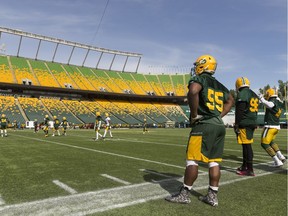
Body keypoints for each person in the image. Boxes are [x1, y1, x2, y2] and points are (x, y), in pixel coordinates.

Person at [165, 55, 234, 207]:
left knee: (192, 160)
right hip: (218, 125)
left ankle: (184, 194)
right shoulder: (221, 85)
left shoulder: (200, 79)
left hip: (204, 125)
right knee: (214, 161)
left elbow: (194, 91)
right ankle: (212, 195)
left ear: (202, 65)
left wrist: (195, 114)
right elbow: (230, 101)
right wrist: (218, 115)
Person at [234, 77, 259, 176]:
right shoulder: (253, 93)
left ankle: (249, 169)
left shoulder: (243, 94)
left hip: (245, 122)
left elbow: (240, 110)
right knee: (246, 145)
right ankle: (245, 166)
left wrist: (236, 124)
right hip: (252, 121)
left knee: (247, 146)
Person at [259, 88, 286, 167]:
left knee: (264, 143)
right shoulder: (279, 101)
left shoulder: (273, 100)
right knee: (271, 142)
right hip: (276, 126)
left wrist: (262, 99)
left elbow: (270, 104)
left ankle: (277, 161)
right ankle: (281, 156)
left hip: (270, 125)